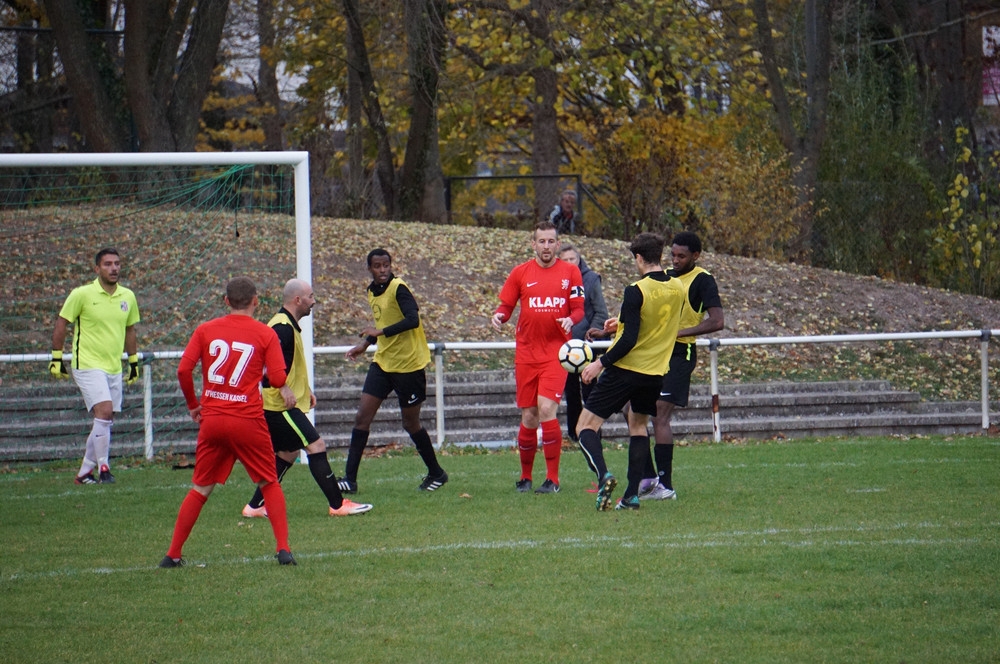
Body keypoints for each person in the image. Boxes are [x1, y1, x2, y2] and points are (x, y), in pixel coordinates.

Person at [160, 277, 298, 567]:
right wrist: (283, 386)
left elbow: (184, 370)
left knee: (200, 488)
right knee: (269, 482)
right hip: (247, 419)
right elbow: (276, 379)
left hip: (213, 420)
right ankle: (283, 549)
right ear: (256, 301)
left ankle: (172, 555)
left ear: (226, 301)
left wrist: (193, 406)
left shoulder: (206, 330)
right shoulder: (264, 333)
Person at [241, 279, 373, 519]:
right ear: (298, 300)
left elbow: (285, 365)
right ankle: (337, 504)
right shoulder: (281, 327)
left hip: (281, 403)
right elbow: (266, 369)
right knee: (316, 446)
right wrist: (282, 389)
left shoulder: (287, 324)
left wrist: (305, 389)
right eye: (311, 296)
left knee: (287, 453)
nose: (314, 301)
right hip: (278, 407)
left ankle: (255, 506)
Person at [575, 232, 686, 511]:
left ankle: (603, 476)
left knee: (584, 427)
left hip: (626, 369)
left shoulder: (635, 289)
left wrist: (599, 363)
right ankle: (631, 497)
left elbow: (629, 340)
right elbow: (656, 323)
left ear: (638, 258)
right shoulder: (678, 288)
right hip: (655, 372)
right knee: (638, 427)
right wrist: (620, 322)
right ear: (660, 255)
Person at [340, 249, 448, 493]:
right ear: (369, 268)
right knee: (362, 417)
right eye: (377, 266)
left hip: (409, 365)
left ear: (390, 266)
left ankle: (437, 473)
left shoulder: (399, 287)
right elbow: (381, 325)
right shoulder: (371, 291)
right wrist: (365, 345)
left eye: (385, 265)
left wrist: (380, 333)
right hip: (383, 362)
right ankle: (350, 479)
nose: (382, 270)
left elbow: (413, 320)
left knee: (410, 424)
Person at [492, 221, 584, 494]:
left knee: (546, 410)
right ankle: (525, 477)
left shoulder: (571, 272)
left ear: (558, 244)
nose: (546, 246)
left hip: (556, 354)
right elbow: (506, 306)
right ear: (533, 244)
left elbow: (579, 309)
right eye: (541, 241)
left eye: (550, 241)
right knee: (529, 415)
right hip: (526, 354)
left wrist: (570, 320)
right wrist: (499, 316)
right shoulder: (520, 273)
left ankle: (553, 479)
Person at [638, 231, 724, 501]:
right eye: (672, 254)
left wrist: (682, 332)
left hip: (680, 353)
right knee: (633, 408)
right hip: (654, 351)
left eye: (681, 256)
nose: (675, 260)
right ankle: (651, 479)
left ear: (696, 256)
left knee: (660, 415)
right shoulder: (663, 276)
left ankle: (665, 485)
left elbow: (717, 320)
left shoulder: (702, 280)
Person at [50, 247, 140, 485]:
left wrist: (133, 362)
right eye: (108, 264)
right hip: (87, 364)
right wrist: (56, 358)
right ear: (97, 268)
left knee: (105, 419)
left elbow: (130, 330)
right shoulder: (82, 294)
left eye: (117, 263)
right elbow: (62, 322)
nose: (114, 268)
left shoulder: (127, 296)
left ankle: (83, 473)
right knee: (105, 412)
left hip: (113, 366)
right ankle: (104, 467)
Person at [558, 244, 608, 441]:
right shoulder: (557, 280)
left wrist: (590, 334)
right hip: (564, 346)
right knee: (570, 391)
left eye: (573, 259)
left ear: (579, 259)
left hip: (586, 346)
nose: (570, 263)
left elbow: (601, 312)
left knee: (590, 389)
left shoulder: (591, 279)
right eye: (565, 259)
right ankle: (574, 433)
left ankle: (593, 432)